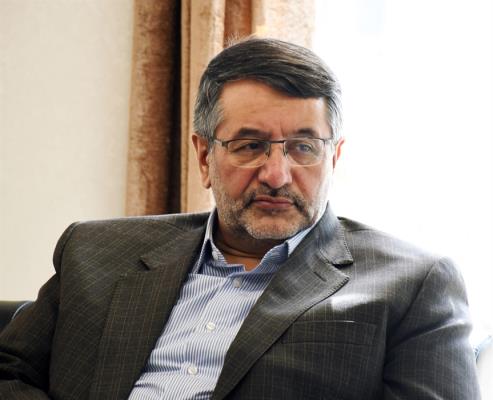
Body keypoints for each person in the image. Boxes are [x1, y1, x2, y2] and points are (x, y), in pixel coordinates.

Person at [0, 37, 480, 399]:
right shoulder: (94, 251)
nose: (277, 174)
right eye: (250, 146)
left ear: (333, 158)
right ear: (204, 156)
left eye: (304, 147)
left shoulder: (411, 284)